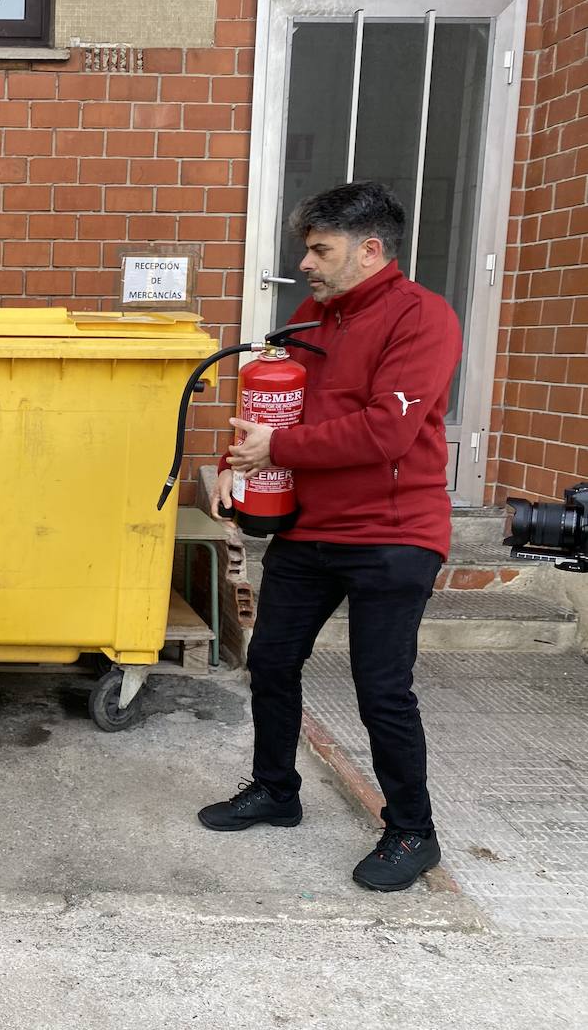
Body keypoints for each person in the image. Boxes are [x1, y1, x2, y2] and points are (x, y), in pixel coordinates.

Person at [199, 181, 462, 892]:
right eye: (306, 249)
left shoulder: (423, 318)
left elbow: (387, 430)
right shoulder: (314, 316)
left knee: (382, 688)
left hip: (394, 533)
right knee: (274, 660)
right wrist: (233, 465)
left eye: (320, 249)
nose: (307, 263)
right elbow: (271, 401)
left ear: (370, 248)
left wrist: (275, 448)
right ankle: (276, 788)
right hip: (311, 529)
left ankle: (413, 829)